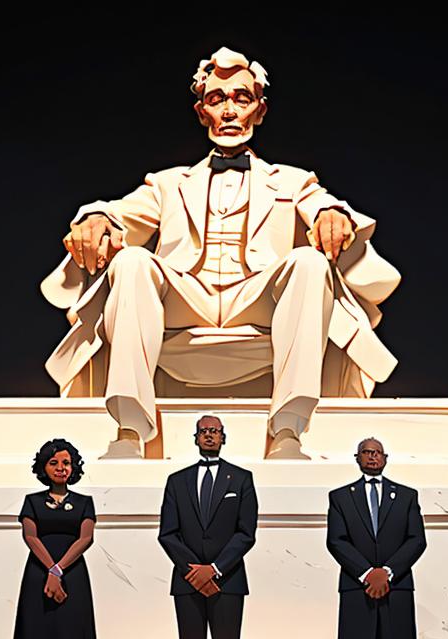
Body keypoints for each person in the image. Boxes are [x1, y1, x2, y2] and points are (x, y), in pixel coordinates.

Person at [41, 46, 400, 460]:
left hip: (258, 300)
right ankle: (129, 432)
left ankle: (288, 432)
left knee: (309, 261)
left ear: (259, 110)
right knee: (131, 261)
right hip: (186, 299)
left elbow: (324, 203)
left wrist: (333, 216)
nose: (229, 110)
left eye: (241, 99)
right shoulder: (168, 183)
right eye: (217, 99)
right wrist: (96, 218)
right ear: (201, 112)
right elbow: (118, 212)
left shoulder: (293, 181)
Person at [157, 415, 258, 639]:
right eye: (204, 431)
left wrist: (214, 569)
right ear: (195, 437)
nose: (209, 436)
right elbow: (168, 533)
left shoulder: (242, 479)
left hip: (227, 582)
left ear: (223, 437)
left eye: (215, 431)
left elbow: (246, 533)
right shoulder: (177, 480)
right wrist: (195, 571)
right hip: (187, 583)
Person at [2, 439, 104, 639]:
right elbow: (30, 536)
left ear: (74, 468)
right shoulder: (32, 501)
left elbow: (86, 538)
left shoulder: (84, 502)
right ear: (44, 468)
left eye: (66, 463)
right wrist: (50, 570)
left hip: (72, 576)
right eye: (54, 463)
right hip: (38, 578)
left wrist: (58, 571)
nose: (61, 468)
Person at [326, 437, 426, 639]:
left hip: (396, 589)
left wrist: (388, 572)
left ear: (386, 457)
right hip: (359, 589)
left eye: (377, 452)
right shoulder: (341, 497)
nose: (372, 457)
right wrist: (368, 574)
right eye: (367, 452)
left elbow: (416, 540)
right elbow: (337, 540)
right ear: (357, 457)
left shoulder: (407, 496)